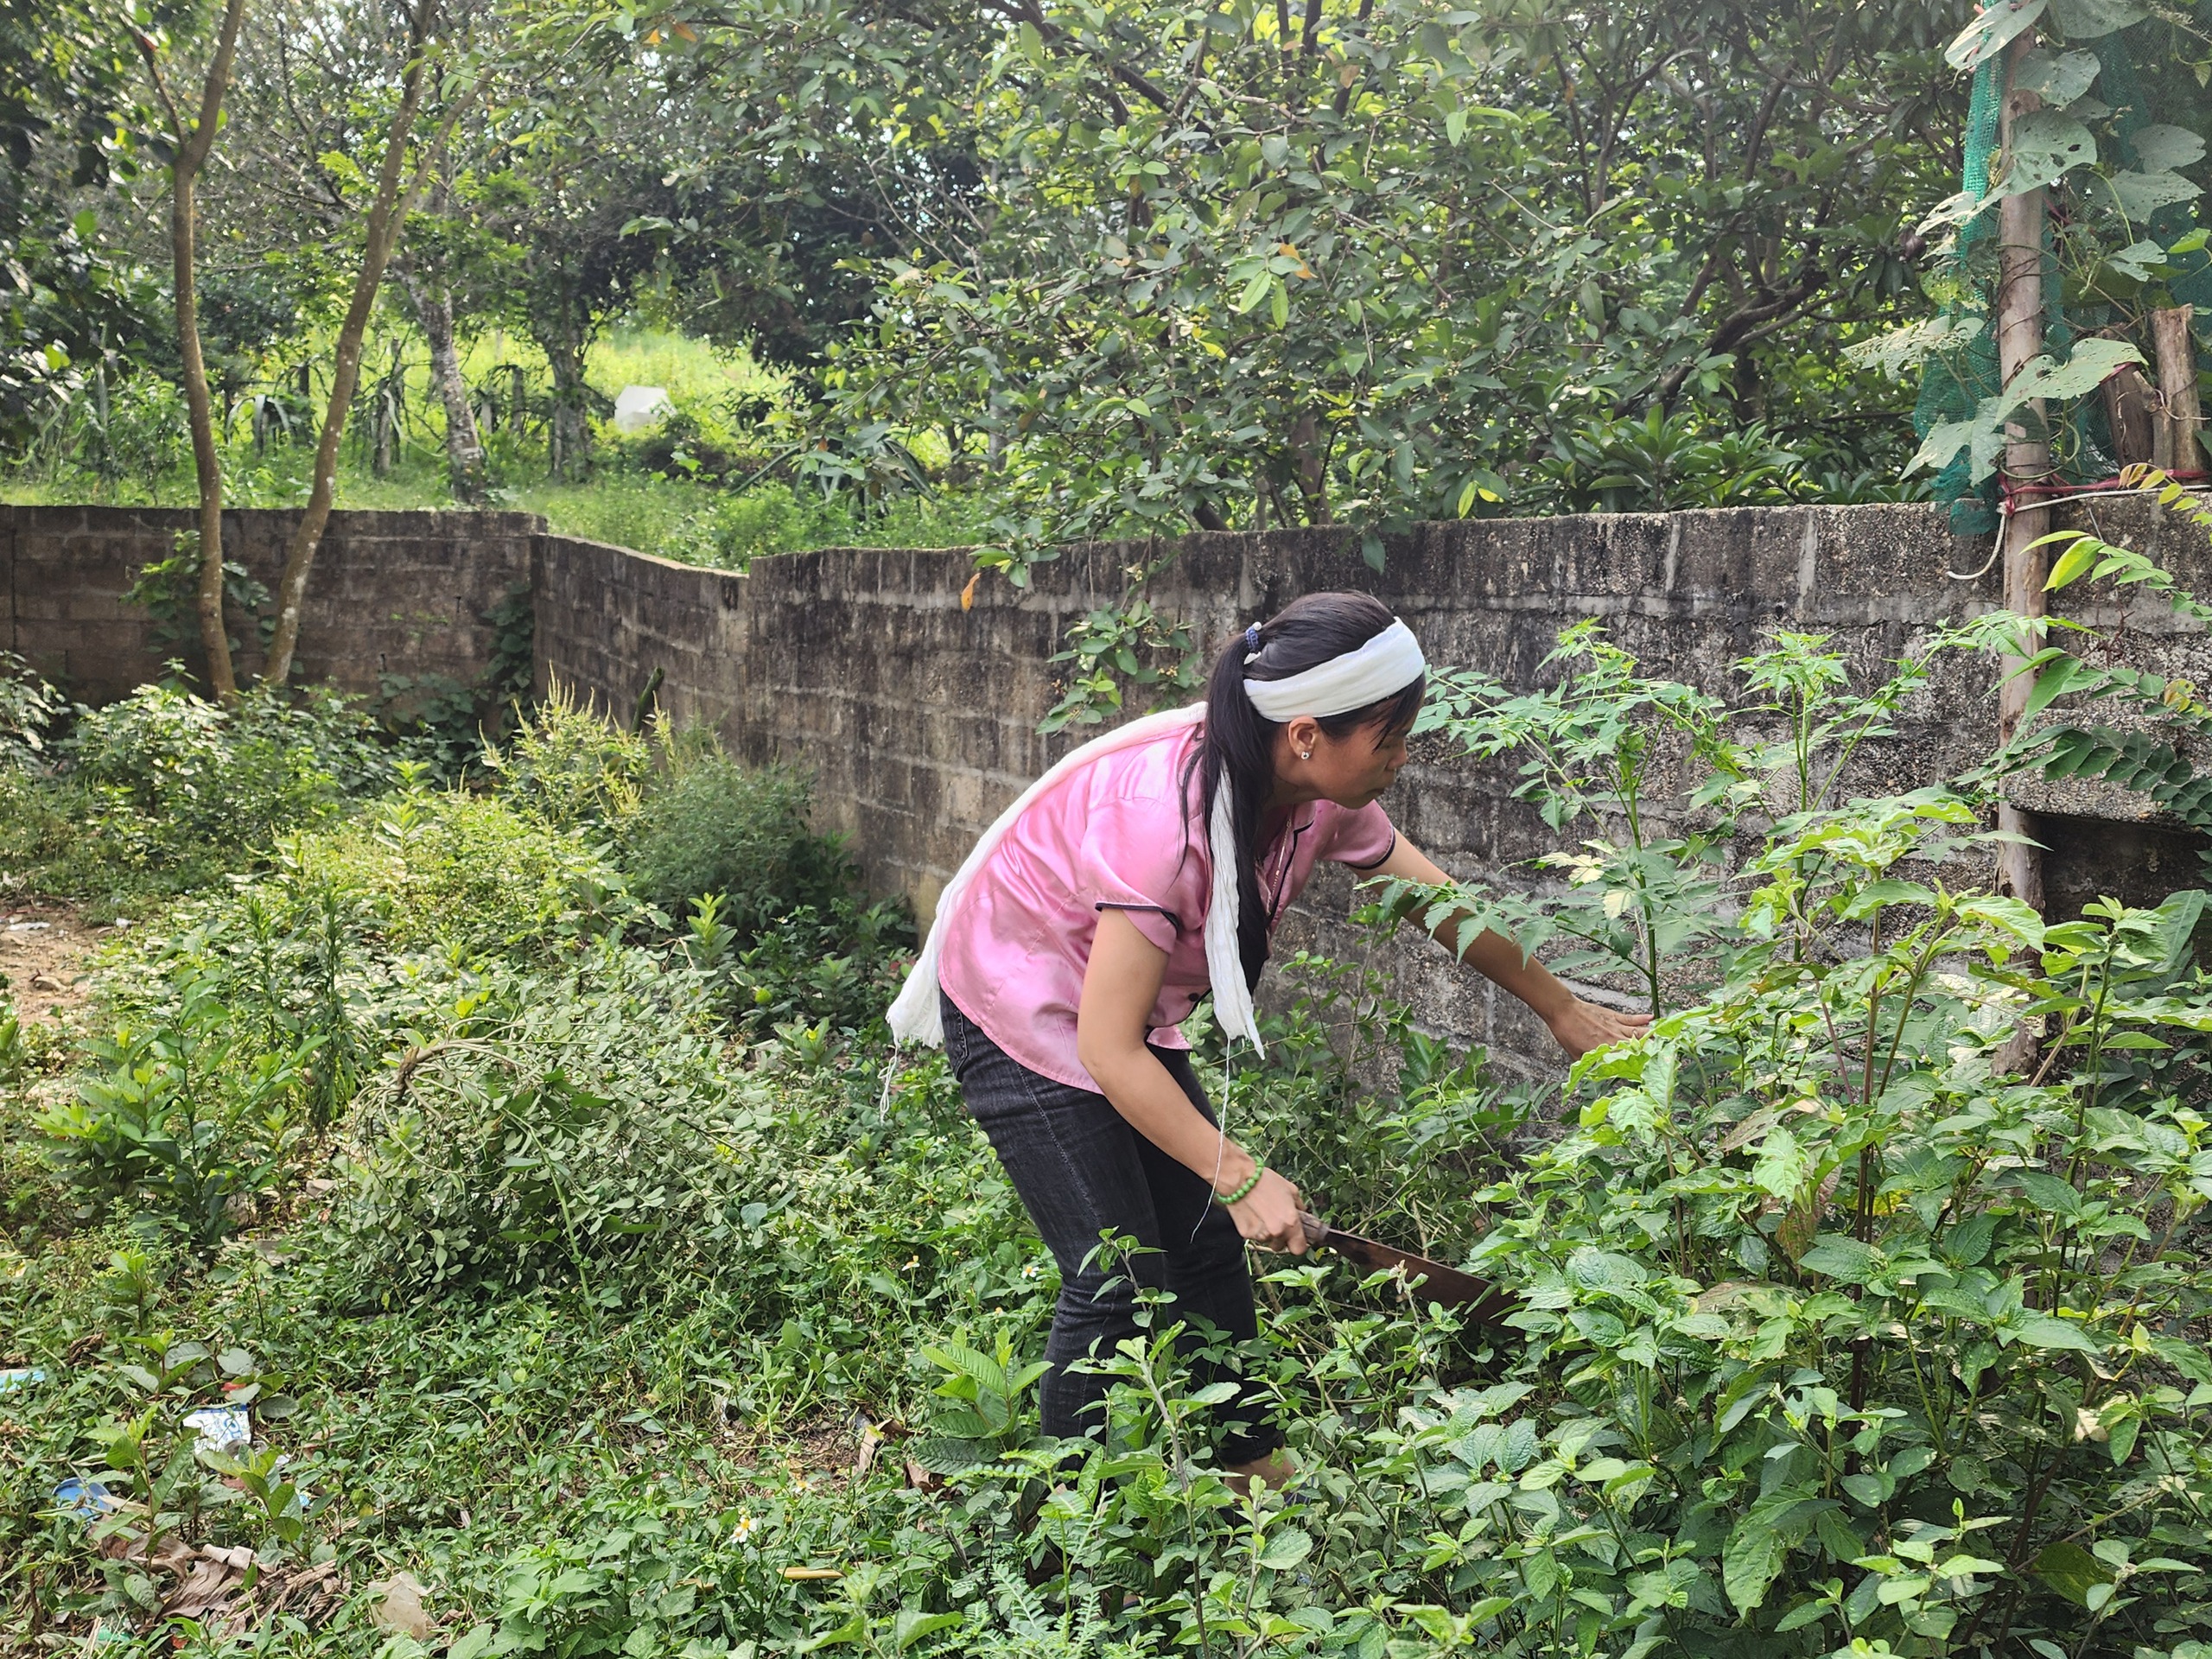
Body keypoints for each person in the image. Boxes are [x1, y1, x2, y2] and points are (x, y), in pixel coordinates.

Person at [887, 592, 1649, 1488]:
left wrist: (1560, 1009)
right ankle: (1063, 1548)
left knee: (1204, 1246)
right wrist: (1238, 1171)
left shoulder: (1313, 795)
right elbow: (1107, 1052)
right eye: (1389, 738)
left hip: (1113, 1008)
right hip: (1019, 1002)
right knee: (1115, 1278)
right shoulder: (1162, 823)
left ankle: (1252, 1470)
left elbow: (1436, 901)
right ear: (1303, 736)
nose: (1402, 761)